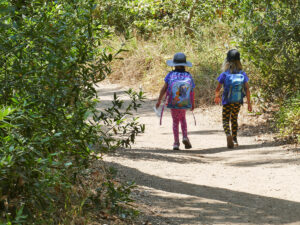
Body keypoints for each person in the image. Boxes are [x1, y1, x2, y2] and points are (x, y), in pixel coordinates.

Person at [156, 52, 195, 150]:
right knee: (183, 119)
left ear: (174, 65)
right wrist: (192, 103)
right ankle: (185, 137)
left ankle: (176, 143)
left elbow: (164, 88)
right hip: (184, 102)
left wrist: (159, 100)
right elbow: (192, 90)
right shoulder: (188, 75)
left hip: (173, 102)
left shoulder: (170, 75)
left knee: (175, 121)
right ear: (184, 65)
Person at [214, 49, 252, 148]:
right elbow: (247, 88)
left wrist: (217, 96)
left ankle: (228, 134)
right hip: (237, 101)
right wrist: (249, 103)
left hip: (227, 101)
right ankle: (234, 140)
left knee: (225, 120)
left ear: (227, 61)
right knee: (234, 119)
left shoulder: (224, 74)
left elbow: (218, 88)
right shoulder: (242, 74)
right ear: (239, 61)